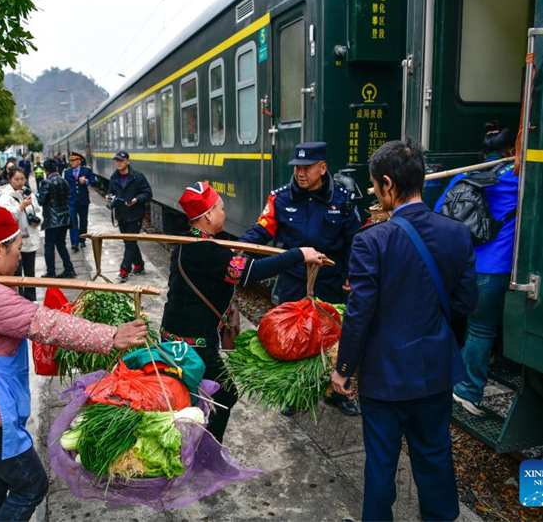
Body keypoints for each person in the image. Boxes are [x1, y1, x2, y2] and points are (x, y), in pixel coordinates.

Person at [0, 206, 147, 522]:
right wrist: (111, 335)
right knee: (32, 486)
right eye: (18, 249)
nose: (20, 257)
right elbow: (46, 325)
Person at [331, 140, 477, 522]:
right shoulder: (457, 233)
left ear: (387, 185)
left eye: (375, 187)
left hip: (386, 376)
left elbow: (359, 314)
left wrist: (343, 368)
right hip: (434, 371)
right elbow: (464, 304)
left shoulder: (371, 240)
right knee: (435, 455)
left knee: (381, 464)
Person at [161, 182, 328, 442]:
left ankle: (192, 439)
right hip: (195, 346)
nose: (224, 213)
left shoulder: (187, 245)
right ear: (207, 215)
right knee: (227, 395)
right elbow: (251, 272)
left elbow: (216, 266)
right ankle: (207, 449)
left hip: (172, 338)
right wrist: (299, 254)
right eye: (221, 208)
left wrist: (230, 254)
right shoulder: (210, 253)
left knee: (191, 392)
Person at [239, 142, 362, 416]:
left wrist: (353, 274)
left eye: (307, 167)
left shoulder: (343, 199)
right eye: (297, 168)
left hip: (329, 281)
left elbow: (355, 239)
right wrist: (237, 248)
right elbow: (261, 230)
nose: (300, 173)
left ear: (323, 168)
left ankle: (335, 392)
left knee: (333, 338)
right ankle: (294, 393)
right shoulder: (281, 199)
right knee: (293, 336)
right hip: (295, 281)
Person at [434, 122, 518, 416]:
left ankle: (451, 375)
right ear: (512, 150)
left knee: (466, 326)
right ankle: (467, 390)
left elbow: (438, 214)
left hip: (463, 266)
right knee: (482, 330)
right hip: (495, 269)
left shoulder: (464, 175)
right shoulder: (518, 181)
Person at [0, 166, 43, 301]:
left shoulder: (29, 194)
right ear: (9, 179)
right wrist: (20, 207)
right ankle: (18, 300)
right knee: (16, 272)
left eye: (22, 179)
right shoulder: (5, 196)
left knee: (30, 271)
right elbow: (4, 215)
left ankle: (31, 299)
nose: (20, 182)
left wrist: (38, 220)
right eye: (16, 179)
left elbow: (38, 210)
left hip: (29, 238)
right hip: (13, 241)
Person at [107, 150, 152, 283]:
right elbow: (111, 192)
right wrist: (109, 197)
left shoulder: (138, 177)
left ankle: (124, 270)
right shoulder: (114, 177)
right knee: (129, 242)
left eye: (121, 160)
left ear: (128, 161)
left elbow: (148, 193)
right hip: (121, 215)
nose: (118, 163)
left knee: (130, 243)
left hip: (135, 215)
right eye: (116, 160)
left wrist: (136, 199)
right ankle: (139, 265)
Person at [37, 159, 76, 278]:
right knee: (61, 244)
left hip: (52, 220)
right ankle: (69, 269)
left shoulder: (46, 182)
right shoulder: (64, 181)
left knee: (49, 246)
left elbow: (41, 201)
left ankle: (51, 272)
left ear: (46, 169)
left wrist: (35, 196)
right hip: (64, 218)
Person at [64, 151, 98, 251]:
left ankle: (82, 240)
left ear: (79, 161)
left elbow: (94, 181)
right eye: (70, 160)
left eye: (73, 160)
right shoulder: (67, 172)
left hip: (83, 201)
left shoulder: (86, 171)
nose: (71, 162)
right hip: (72, 201)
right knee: (73, 222)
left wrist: (86, 181)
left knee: (83, 221)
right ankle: (74, 243)